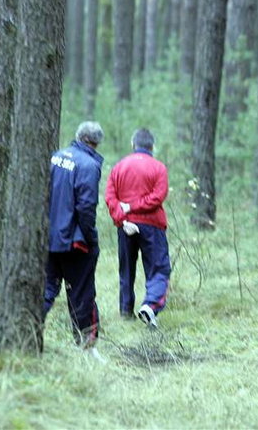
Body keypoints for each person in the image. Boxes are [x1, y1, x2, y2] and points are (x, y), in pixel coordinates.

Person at [44, 121, 104, 349]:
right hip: (75, 242)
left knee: (48, 290)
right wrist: (90, 238)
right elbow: (86, 207)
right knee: (82, 293)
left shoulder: (55, 156)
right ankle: (86, 345)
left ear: (78, 136)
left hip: (49, 238)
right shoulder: (89, 165)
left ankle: (25, 332)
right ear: (96, 142)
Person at [105, 128, 171, 327]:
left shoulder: (118, 167)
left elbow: (110, 198)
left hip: (126, 226)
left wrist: (123, 219)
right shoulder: (159, 168)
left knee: (126, 269)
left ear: (133, 145)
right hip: (152, 225)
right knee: (159, 268)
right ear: (152, 146)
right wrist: (134, 208)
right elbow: (158, 197)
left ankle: (126, 311)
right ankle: (150, 305)